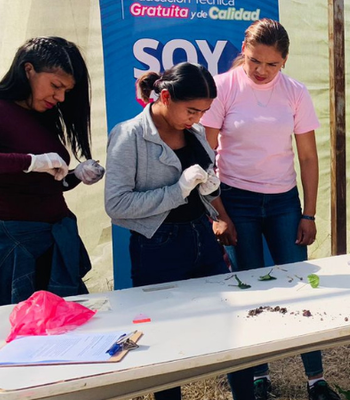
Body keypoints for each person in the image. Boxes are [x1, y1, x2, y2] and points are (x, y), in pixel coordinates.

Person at [199, 19, 340, 400]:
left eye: (272, 64)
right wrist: (219, 213)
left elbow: (308, 157)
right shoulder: (223, 87)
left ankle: (316, 378)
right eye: (254, 60)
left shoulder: (295, 92)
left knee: (301, 285)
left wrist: (308, 214)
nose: (261, 71)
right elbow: (206, 156)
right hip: (236, 200)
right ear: (244, 49)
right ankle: (258, 377)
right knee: (248, 289)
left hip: (283, 202)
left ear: (285, 61)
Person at [0, 36, 103, 342]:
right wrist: (28, 161)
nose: (59, 97)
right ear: (28, 69)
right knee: (5, 335)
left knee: (61, 333)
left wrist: (74, 176)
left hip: (56, 239)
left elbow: (43, 183)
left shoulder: (42, 115)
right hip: (12, 242)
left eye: (66, 91)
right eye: (55, 85)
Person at [104, 62, 229, 400]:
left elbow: (204, 181)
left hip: (200, 237)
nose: (197, 119)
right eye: (191, 110)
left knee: (230, 323)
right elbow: (116, 205)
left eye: (203, 112)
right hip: (157, 247)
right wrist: (178, 191)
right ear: (164, 96)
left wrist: (211, 192)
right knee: (161, 339)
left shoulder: (197, 133)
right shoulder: (129, 135)